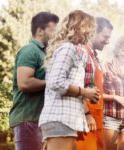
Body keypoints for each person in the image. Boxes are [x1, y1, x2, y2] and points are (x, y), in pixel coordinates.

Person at [38, 10, 99, 150]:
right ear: (79, 28)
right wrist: (84, 92)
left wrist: (88, 94)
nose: (91, 33)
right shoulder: (67, 49)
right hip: (60, 119)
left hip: (65, 121)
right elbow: (56, 82)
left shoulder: (73, 50)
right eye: (89, 28)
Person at [9, 11, 59, 150]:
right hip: (28, 120)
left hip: (41, 120)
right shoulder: (29, 50)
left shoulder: (45, 54)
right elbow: (24, 83)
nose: (56, 34)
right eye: (53, 30)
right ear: (40, 30)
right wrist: (54, 83)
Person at [76, 17, 113, 150]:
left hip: (97, 116)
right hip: (86, 116)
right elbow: (76, 86)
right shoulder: (82, 53)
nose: (108, 41)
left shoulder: (94, 56)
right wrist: (86, 114)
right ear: (93, 32)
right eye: (105, 36)